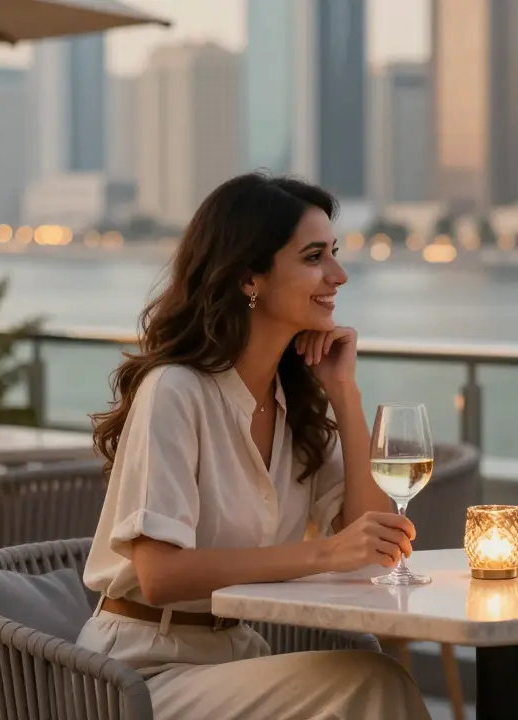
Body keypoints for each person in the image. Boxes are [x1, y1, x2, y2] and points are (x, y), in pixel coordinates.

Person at [78, 173, 432, 720]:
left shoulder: (294, 403)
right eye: (314, 257)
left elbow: (372, 541)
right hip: (140, 673)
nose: (338, 275)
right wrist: (325, 553)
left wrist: (344, 393)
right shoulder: (176, 390)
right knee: (370, 684)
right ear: (250, 278)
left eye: (334, 254)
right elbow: (159, 575)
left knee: (370, 679)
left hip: (236, 656)